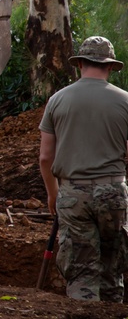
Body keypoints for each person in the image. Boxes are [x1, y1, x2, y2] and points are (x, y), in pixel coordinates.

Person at [39, 36, 128, 302]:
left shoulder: (57, 100)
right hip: (113, 192)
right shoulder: (125, 101)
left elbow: (45, 157)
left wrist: (53, 194)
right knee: (112, 269)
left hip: (73, 195)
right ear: (110, 67)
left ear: (79, 64)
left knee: (80, 273)